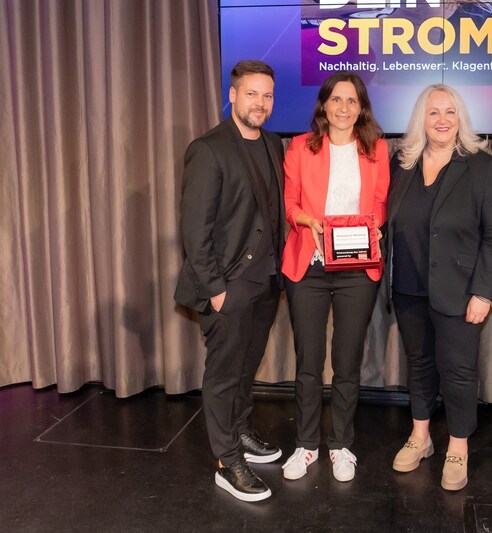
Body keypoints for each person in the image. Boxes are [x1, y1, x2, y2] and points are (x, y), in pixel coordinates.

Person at [387, 84, 492, 491]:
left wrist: (484, 292)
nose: (442, 120)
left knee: (457, 373)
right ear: (421, 119)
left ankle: (458, 447)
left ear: (461, 119)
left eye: (450, 112)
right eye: (434, 112)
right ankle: (420, 438)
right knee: (419, 366)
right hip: (408, 287)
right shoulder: (401, 163)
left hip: (460, 292)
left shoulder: (481, 166)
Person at [174, 60, 285, 502]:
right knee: (222, 376)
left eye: (268, 95)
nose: (261, 102)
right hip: (229, 286)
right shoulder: (209, 148)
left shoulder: (275, 143)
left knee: (244, 369)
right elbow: (194, 233)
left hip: (267, 282)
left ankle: (240, 431)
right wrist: (216, 290)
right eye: (252, 93)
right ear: (233, 95)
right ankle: (226, 460)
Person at [280, 71, 389, 483]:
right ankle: (307, 446)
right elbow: (289, 205)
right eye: (336, 100)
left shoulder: (376, 150)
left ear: (361, 108)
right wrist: (310, 221)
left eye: (352, 101)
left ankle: (342, 445)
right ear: (324, 105)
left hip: (357, 270)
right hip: (308, 267)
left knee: (346, 363)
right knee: (309, 363)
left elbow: (379, 206)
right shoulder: (299, 148)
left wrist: (374, 226)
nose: (344, 108)